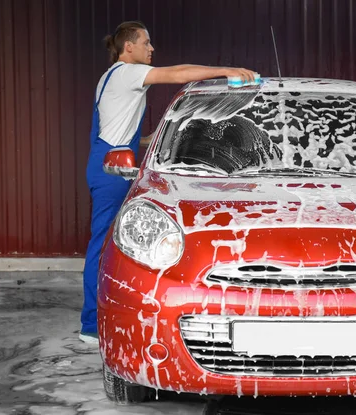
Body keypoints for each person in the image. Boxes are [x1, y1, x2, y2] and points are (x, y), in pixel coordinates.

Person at [80, 21, 257, 344]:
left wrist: (148, 140)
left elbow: (115, 125)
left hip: (110, 157)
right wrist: (227, 70)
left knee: (111, 244)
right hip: (112, 168)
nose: (152, 49)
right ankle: (91, 325)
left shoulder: (110, 78)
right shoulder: (127, 72)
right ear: (128, 47)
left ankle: (102, 316)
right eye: (146, 43)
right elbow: (178, 74)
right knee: (103, 245)